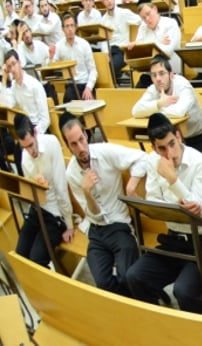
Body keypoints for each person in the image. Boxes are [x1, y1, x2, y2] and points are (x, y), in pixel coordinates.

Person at [125, 113, 202, 314]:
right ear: (153, 148)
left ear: (179, 137)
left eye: (172, 144)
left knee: (184, 292)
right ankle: (164, 325)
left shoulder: (200, 162)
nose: (170, 154)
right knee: (134, 277)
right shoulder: (153, 161)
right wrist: (177, 205)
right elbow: (153, 202)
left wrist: (172, 180)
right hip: (173, 242)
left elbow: (200, 212)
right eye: (162, 148)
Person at [62, 115, 146, 297]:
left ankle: (142, 297)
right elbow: (94, 215)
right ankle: (132, 300)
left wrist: (132, 183)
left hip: (119, 225)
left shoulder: (105, 152)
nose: (81, 148)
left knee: (127, 276)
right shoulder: (72, 173)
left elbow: (142, 157)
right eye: (74, 144)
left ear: (86, 135)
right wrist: (87, 193)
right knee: (102, 283)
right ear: (68, 146)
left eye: (81, 140)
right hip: (97, 230)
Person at [13, 113, 73, 267]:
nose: (30, 151)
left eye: (31, 145)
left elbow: (61, 185)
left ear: (35, 133)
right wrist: (35, 183)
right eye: (24, 147)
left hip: (55, 215)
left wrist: (69, 224)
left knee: (37, 260)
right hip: (38, 210)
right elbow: (32, 194)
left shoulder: (51, 143)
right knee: (20, 255)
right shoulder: (25, 156)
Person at [131, 54, 202, 161]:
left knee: (192, 168)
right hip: (173, 142)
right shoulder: (154, 88)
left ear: (171, 75)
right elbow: (135, 111)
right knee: (160, 166)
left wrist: (153, 111)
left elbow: (179, 112)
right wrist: (159, 103)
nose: (158, 79)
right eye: (154, 75)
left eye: (161, 73)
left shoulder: (183, 85)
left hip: (200, 138)